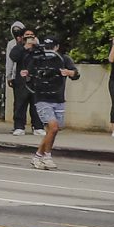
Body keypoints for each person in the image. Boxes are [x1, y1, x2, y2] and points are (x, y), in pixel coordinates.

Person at [21, 33, 79, 169]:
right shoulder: (39, 58)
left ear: (57, 47)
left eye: (51, 47)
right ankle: (47, 156)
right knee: (52, 127)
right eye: (46, 47)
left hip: (58, 98)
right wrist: (26, 74)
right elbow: (28, 73)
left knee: (53, 130)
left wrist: (69, 73)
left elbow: (76, 73)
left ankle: (38, 156)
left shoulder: (63, 59)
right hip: (42, 98)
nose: (49, 50)